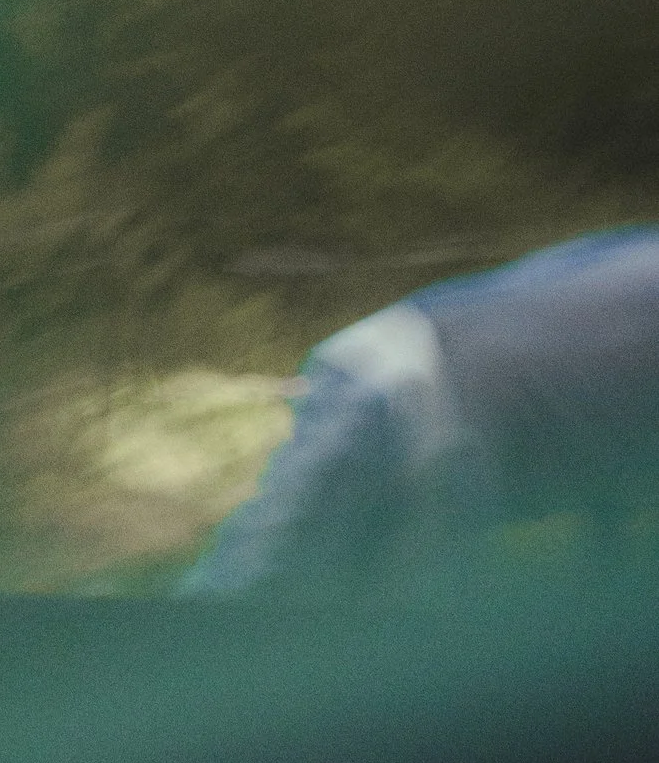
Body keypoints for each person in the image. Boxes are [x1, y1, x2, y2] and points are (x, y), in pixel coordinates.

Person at [189, 229, 659, 594]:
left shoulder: (636, 253)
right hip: (415, 406)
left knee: (272, 593)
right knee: (264, 599)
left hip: (393, 372)